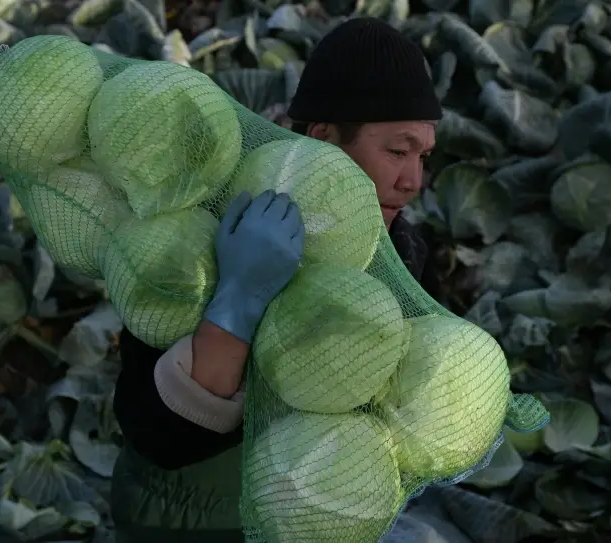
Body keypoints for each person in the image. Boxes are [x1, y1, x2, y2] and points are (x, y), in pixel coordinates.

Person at [110, 16, 443, 543]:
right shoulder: (204, 234)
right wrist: (236, 303)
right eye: (397, 151)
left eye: (423, 155)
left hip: (311, 519)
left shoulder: (403, 252)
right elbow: (159, 436)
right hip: (189, 521)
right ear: (323, 137)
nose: (413, 181)